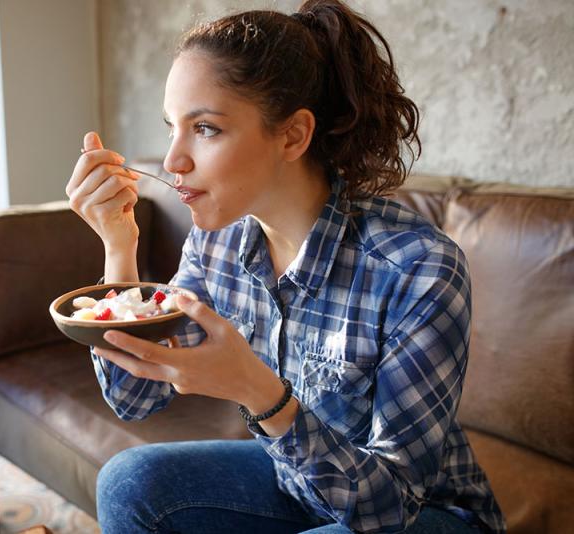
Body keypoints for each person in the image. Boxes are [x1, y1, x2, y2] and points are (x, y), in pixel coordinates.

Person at [65, 1, 506, 532]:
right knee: (131, 483)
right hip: (296, 479)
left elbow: (390, 507)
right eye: (172, 128)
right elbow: (134, 397)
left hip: (424, 513)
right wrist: (119, 246)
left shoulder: (418, 269)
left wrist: (257, 391)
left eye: (204, 128)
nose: (172, 161)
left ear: (294, 135)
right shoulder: (217, 244)